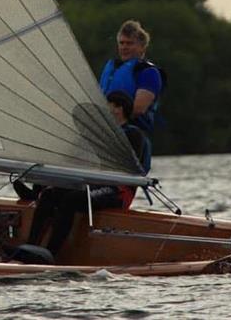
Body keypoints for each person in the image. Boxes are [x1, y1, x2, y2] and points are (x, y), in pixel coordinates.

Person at [22, 91, 151, 261]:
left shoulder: (133, 134)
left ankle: (50, 254)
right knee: (49, 195)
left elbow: (131, 168)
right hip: (94, 186)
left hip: (118, 191)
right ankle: (31, 248)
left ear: (118, 109)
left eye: (107, 106)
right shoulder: (98, 135)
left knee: (71, 200)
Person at [99, 19, 165, 134]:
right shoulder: (112, 68)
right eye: (121, 43)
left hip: (132, 133)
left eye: (129, 43)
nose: (124, 47)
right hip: (106, 132)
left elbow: (139, 109)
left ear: (142, 47)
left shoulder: (148, 72)